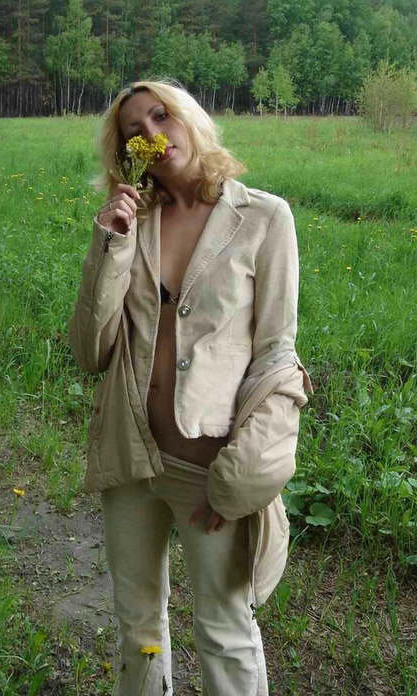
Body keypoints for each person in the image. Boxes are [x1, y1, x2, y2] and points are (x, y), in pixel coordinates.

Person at [68, 80, 310, 695]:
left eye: (161, 115)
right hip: (132, 459)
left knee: (224, 631)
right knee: (137, 627)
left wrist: (242, 474)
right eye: (134, 131)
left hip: (209, 469)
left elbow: (276, 353)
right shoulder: (134, 221)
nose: (152, 134)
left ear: (191, 120)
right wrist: (110, 241)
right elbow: (91, 351)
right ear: (127, 152)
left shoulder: (264, 218)